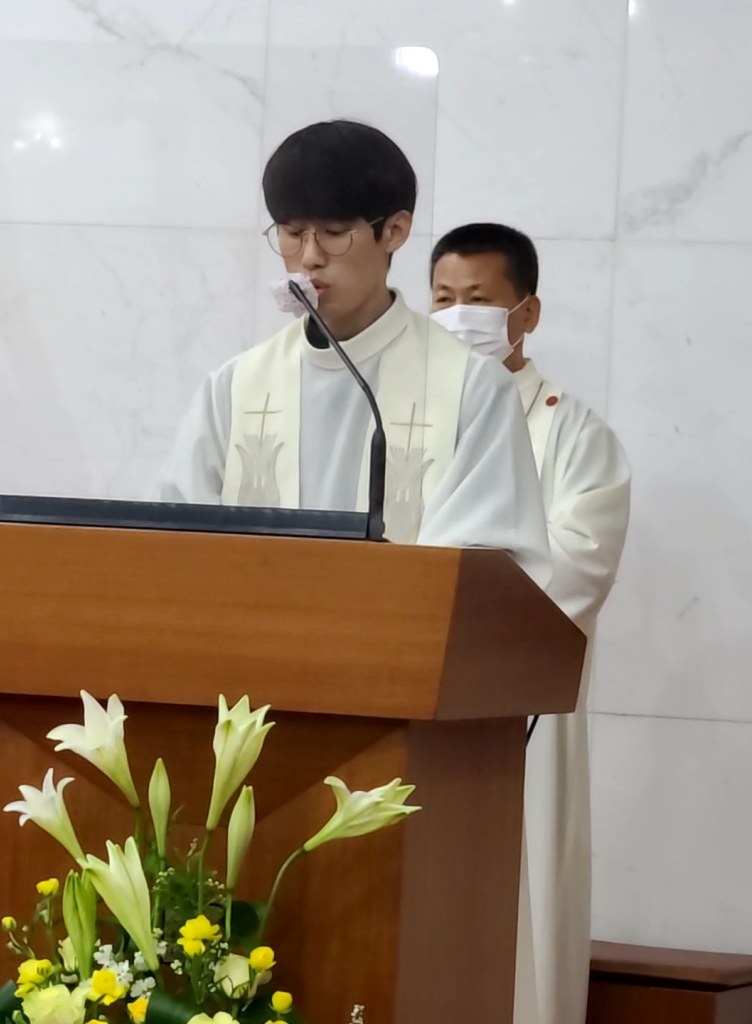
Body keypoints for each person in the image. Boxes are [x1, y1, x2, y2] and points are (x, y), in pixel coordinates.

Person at [154, 123, 550, 583]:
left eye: (335, 232)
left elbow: (487, 571)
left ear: (394, 231)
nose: (309, 257)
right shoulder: (235, 386)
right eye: (292, 232)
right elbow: (172, 545)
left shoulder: (471, 387)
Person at [429, 222, 631, 1024]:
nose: (457, 316)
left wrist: (442, 604)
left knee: (513, 935)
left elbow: (575, 568)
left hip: (517, 714)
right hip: (405, 704)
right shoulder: (408, 422)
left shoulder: (574, 434)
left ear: (528, 313)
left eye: (478, 299)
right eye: (442, 299)